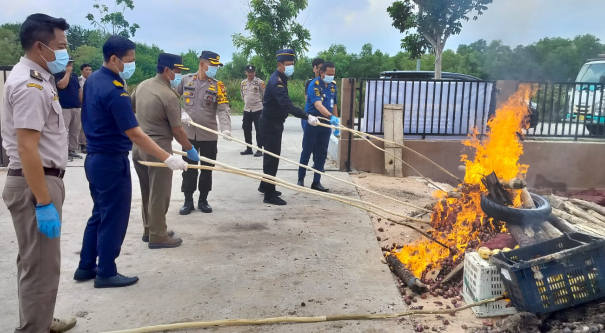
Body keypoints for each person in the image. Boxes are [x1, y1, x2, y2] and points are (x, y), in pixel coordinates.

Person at [74, 35, 188, 288]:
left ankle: (85, 266)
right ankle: (106, 271)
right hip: (111, 160)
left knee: (99, 213)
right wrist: (167, 157)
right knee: (114, 217)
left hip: (94, 157)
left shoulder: (93, 81)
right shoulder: (115, 89)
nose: (132, 64)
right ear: (114, 58)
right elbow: (135, 132)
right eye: (129, 60)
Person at [1, 13, 77, 333]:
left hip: (41, 179)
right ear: (39, 46)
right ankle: (34, 328)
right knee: (42, 267)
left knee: (35, 262)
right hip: (36, 182)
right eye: (59, 46)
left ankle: (39, 320)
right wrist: (43, 201)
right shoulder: (30, 84)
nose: (64, 52)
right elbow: (28, 148)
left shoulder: (39, 76)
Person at [132, 53, 199, 249]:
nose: (178, 75)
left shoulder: (142, 86)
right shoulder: (168, 95)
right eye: (177, 71)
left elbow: (132, 107)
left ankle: (150, 229)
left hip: (139, 147)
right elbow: (177, 131)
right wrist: (190, 149)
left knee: (147, 191)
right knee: (159, 194)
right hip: (159, 150)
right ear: (168, 70)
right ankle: (158, 235)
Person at [258, 48, 319, 206]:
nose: (291, 66)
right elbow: (286, 105)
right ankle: (269, 194)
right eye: (288, 64)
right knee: (272, 158)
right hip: (270, 125)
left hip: (274, 123)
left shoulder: (281, 78)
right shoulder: (276, 82)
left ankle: (265, 186)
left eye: (292, 63)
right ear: (280, 64)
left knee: (270, 157)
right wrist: (307, 116)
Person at [177, 50, 231, 215]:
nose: (215, 69)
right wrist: (180, 112)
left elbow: (223, 109)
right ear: (202, 64)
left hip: (208, 135)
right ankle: (188, 200)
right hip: (187, 134)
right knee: (189, 168)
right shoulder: (186, 80)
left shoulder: (218, 86)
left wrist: (226, 128)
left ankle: (203, 200)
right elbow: (170, 98)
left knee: (207, 168)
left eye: (216, 66)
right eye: (213, 65)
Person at [297, 62, 339, 192]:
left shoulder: (333, 86)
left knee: (321, 153)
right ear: (322, 73)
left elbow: (334, 105)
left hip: (326, 124)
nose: (331, 76)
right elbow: (318, 105)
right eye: (329, 74)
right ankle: (301, 179)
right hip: (313, 121)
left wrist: (336, 121)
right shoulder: (314, 85)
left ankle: (316, 182)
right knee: (307, 150)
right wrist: (330, 116)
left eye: (333, 74)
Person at [54, 59, 82, 161]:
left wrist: (82, 102)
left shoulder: (74, 76)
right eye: (68, 63)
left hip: (76, 107)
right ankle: (64, 152)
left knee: (75, 130)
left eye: (71, 63)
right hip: (64, 107)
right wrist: (67, 72)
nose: (70, 65)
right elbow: (62, 85)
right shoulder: (57, 75)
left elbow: (79, 90)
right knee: (64, 130)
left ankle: (72, 150)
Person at [239, 64, 264, 157]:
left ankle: (259, 149)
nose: (250, 74)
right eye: (249, 72)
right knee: (246, 129)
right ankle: (249, 148)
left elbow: (264, 94)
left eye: (252, 72)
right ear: (246, 72)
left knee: (259, 130)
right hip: (247, 110)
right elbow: (242, 95)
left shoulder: (260, 82)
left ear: (255, 72)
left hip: (258, 109)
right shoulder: (243, 83)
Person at [78, 63, 92, 153]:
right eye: (86, 69)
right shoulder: (79, 80)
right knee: (81, 126)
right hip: (81, 105)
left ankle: (88, 143)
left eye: (90, 70)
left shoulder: (93, 80)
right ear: (82, 71)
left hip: (91, 106)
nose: (89, 71)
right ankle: (82, 145)